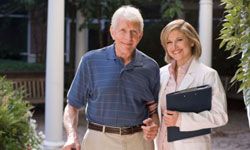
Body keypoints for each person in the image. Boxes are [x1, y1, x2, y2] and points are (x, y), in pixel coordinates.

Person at [62, 5, 160, 150]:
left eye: (134, 31)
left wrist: (154, 125)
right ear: (112, 32)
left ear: (140, 35)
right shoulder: (91, 61)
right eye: (123, 31)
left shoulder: (151, 67)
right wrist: (72, 136)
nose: (129, 37)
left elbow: (153, 111)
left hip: (139, 142)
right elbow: (72, 106)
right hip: (98, 141)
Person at [154, 19, 228, 150]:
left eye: (179, 40)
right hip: (161, 145)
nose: (174, 46)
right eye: (169, 42)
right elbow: (157, 112)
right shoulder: (161, 73)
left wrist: (181, 119)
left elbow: (220, 116)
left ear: (192, 41)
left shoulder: (208, 75)